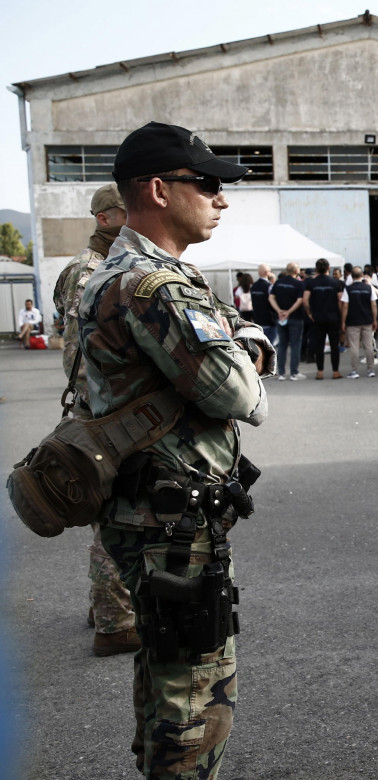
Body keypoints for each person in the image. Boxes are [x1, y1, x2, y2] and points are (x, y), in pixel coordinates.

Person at [77, 121, 271, 779]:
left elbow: (230, 332)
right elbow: (244, 394)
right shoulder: (153, 287)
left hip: (153, 515)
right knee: (196, 699)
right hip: (172, 527)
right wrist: (246, 348)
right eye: (208, 185)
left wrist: (235, 337)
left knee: (168, 677)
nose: (221, 199)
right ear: (159, 190)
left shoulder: (139, 275)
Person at [51, 182, 140, 657]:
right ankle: (115, 621)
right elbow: (89, 350)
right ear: (105, 218)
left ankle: (102, 605)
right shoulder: (96, 270)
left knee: (108, 512)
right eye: (128, 212)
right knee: (115, 515)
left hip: (93, 405)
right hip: (105, 407)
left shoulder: (81, 267)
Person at [303, 258, 344, 380]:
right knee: (334, 345)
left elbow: (305, 300)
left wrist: (310, 313)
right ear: (328, 268)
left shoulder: (311, 283)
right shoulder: (336, 283)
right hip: (333, 317)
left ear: (316, 269)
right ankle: (335, 371)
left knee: (319, 345)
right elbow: (340, 301)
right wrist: (341, 317)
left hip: (318, 318)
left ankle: (320, 372)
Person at [269, 262, 306, 380]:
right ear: (296, 271)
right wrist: (289, 312)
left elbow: (270, 298)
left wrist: (279, 311)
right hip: (295, 317)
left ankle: (281, 373)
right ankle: (294, 372)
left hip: (281, 318)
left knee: (282, 345)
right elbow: (300, 300)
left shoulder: (278, 283)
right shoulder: (299, 284)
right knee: (295, 345)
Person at [341, 265, 377, 378]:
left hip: (353, 321)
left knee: (354, 346)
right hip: (367, 320)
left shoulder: (348, 289)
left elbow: (345, 306)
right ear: (362, 275)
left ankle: (354, 370)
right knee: (368, 345)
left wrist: (343, 321)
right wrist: (374, 319)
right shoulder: (369, 288)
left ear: (351, 276)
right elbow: (374, 305)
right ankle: (370, 369)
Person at [250, 264, 276, 346]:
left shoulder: (254, 286)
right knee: (269, 345)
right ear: (267, 272)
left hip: (257, 318)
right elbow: (273, 302)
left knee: (260, 345)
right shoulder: (269, 286)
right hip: (269, 319)